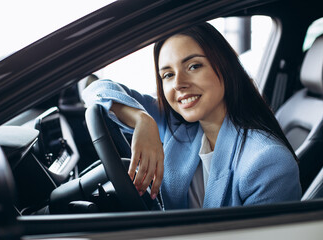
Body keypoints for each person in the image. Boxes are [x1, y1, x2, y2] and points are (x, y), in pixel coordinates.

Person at [82, 22, 301, 210]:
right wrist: (142, 119)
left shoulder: (267, 161)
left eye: (193, 66)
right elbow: (95, 89)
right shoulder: (175, 123)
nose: (178, 84)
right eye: (168, 74)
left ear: (225, 67)